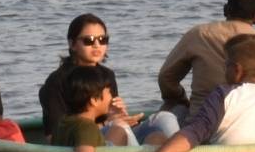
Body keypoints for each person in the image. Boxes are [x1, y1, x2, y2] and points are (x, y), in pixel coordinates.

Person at [39, 13, 177, 145]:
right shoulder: (57, 82)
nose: (97, 45)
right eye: (89, 40)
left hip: (115, 131)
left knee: (165, 118)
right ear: (72, 44)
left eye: (102, 40)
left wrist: (120, 116)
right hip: (85, 142)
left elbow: (110, 116)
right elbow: (54, 136)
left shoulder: (107, 75)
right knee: (120, 128)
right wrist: (110, 123)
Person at [54, 65, 143, 152]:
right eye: (108, 92)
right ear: (94, 100)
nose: (111, 97)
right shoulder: (86, 127)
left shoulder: (64, 122)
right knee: (123, 128)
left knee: (119, 127)